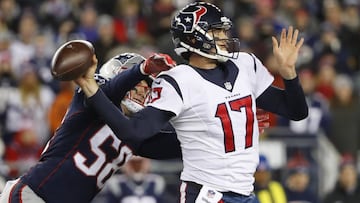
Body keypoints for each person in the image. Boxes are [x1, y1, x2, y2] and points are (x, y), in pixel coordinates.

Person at [75, 2, 308, 203]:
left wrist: (289, 73)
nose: (225, 37)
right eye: (217, 32)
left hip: (246, 193)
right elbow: (136, 133)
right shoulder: (180, 79)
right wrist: (94, 93)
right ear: (196, 38)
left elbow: (296, 111)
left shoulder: (246, 64)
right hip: (207, 194)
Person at [0, 52, 181, 203]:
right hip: (35, 194)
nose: (144, 91)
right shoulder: (91, 96)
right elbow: (105, 92)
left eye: (147, 87)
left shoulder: (133, 130)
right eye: (140, 84)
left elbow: (177, 146)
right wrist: (142, 69)